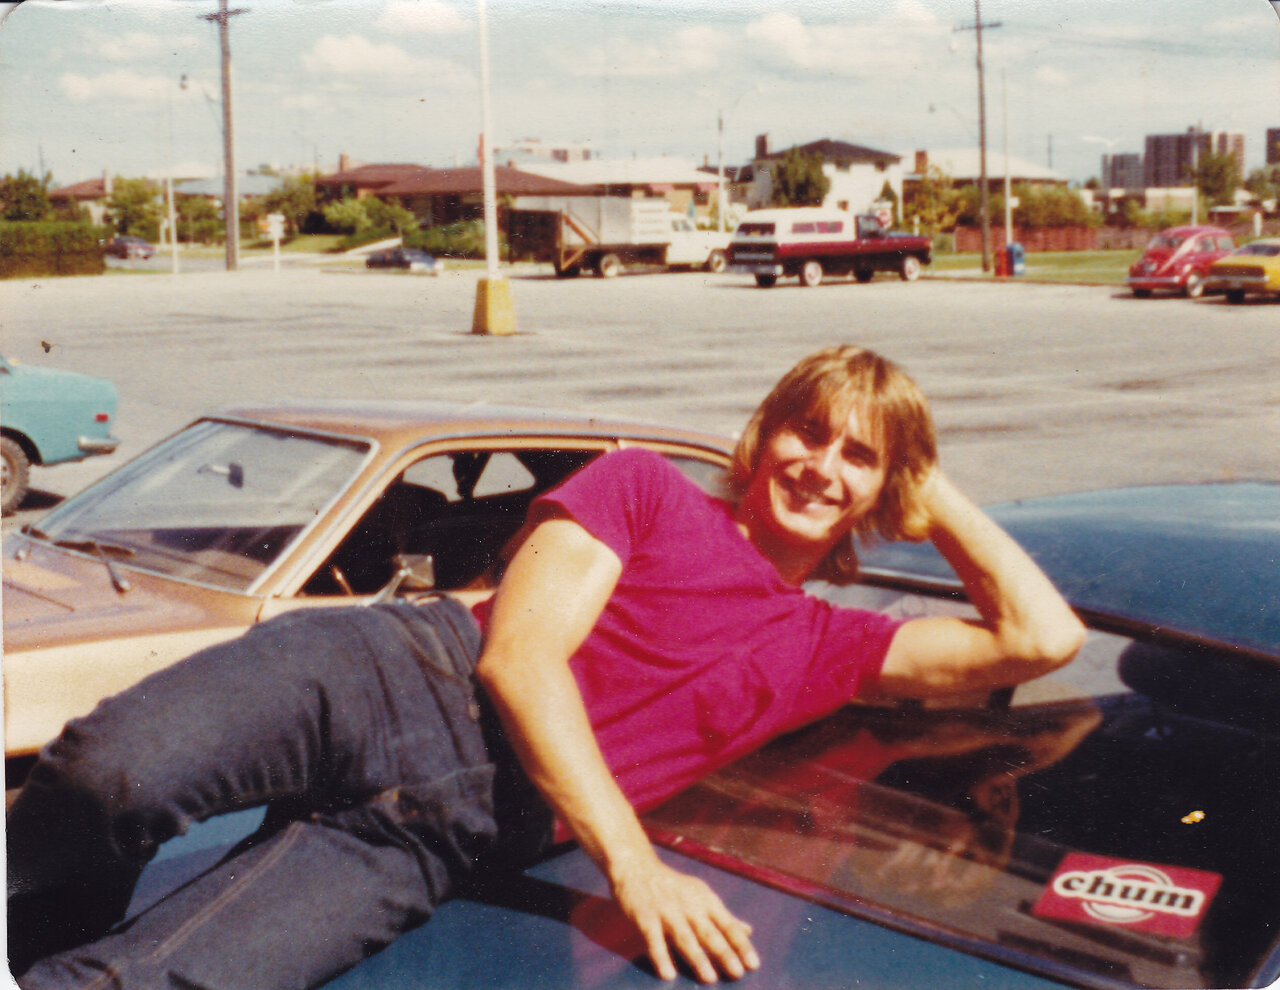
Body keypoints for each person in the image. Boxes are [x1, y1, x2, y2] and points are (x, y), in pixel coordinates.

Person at [6, 346, 1086, 989]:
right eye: (808, 433)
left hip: (453, 832)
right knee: (113, 774)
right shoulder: (644, 488)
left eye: (858, 456)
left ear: (882, 488)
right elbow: (521, 661)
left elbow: (1042, 640)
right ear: (764, 439)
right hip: (391, 680)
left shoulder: (832, 648)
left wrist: (931, 486)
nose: (820, 466)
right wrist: (634, 865)